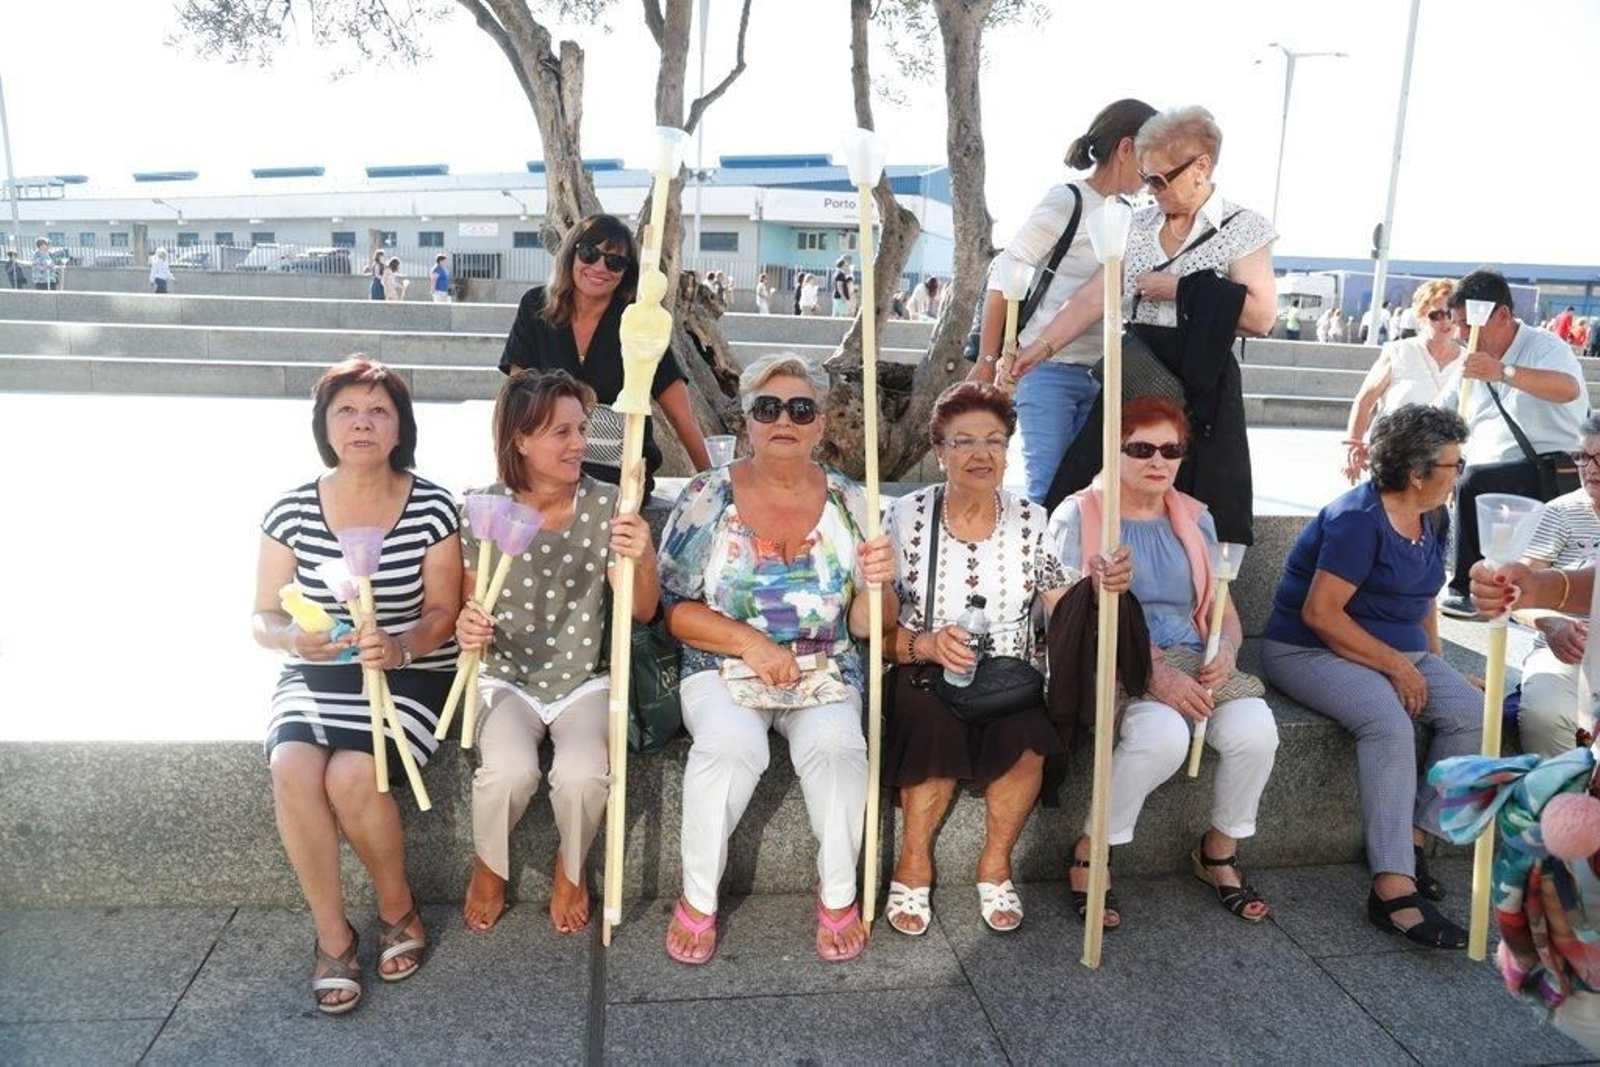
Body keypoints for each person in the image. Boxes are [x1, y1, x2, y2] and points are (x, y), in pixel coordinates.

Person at [655, 353, 895, 965]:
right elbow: (674, 610)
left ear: (820, 425)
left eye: (800, 408)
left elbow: (871, 626)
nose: (782, 419)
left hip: (825, 667)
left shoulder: (853, 501)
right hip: (722, 664)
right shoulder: (708, 495)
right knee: (733, 747)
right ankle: (699, 899)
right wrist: (752, 644)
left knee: (839, 746)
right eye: (767, 408)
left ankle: (838, 894)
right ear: (746, 421)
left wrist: (878, 584)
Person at [252, 356, 464, 1012]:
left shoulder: (432, 505)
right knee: (291, 763)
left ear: (400, 428)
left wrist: (398, 646)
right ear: (325, 425)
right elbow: (263, 615)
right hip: (317, 665)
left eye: (378, 410)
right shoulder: (290, 509)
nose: (362, 422)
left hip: (411, 668)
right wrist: (293, 638)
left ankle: (397, 908)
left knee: (351, 775)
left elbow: (443, 613)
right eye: (346, 410)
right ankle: (332, 933)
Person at [881, 382, 1131, 937]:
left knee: (1029, 741)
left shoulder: (1031, 520)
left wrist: (1100, 587)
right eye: (964, 441)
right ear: (939, 450)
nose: (980, 453)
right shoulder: (904, 517)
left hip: (1009, 678)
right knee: (929, 728)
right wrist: (923, 644)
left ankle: (995, 866)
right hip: (925, 666)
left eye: (995, 440)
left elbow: (1062, 605)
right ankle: (914, 863)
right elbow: (872, 626)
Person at [1050, 396, 1278, 927]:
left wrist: (1224, 649)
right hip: (1110, 655)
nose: (1159, 461)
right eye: (1141, 448)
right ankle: (1091, 849)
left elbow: (1223, 607)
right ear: (1114, 448)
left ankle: (1218, 850)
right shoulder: (1079, 514)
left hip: (1191, 652)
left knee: (1256, 730)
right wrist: (1149, 669)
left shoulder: (1194, 516)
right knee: (1163, 738)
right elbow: (1060, 610)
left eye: (1171, 449)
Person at [1260, 404, 1478, 949]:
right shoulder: (1358, 521)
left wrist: (1433, 660)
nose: (1461, 474)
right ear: (1416, 473)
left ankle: (1410, 838)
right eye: (1455, 464)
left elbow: (1425, 595)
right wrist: (1399, 666)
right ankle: (1391, 888)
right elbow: (1321, 614)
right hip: (1310, 651)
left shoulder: (1434, 514)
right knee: (1387, 722)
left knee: (1474, 715)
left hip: (1393, 650)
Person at [454, 370, 659, 935]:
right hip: (505, 677)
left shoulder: (610, 503)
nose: (578, 444)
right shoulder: (482, 507)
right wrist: (467, 624)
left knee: (583, 774)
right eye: (560, 432)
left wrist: (640, 557)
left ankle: (572, 867)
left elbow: (642, 610)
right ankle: (489, 864)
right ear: (520, 439)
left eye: (580, 429)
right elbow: (464, 607)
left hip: (584, 679)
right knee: (508, 773)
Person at [1027, 105, 1278, 545]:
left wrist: (1181, 290)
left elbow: (1262, 317)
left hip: (1200, 390)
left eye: (1161, 179)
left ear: (1202, 166)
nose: (1150, 190)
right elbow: (1093, 296)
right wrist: (1038, 350)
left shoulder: (1243, 228)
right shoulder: (1136, 225)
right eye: (1146, 178)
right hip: (1135, 377)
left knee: (1194, 512)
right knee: (1083, 490)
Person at [971, 98, 1158, 504]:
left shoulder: (1132, 215)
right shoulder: (1068, 201)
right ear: (1126, 149)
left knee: (1087, 494)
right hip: (1047, 369)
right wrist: (987, 361)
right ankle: (1039, 567)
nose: (1152, 173)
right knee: (1050, 487)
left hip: (1101, 373)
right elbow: (1006, 273)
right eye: (1149, 156)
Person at [499, 213, 711, 496]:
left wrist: (716, 486)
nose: (599, 267)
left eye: (614, 261)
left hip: (619, 479)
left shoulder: (639, 322)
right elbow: (517, 404)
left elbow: (682, 417)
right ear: (570, 255)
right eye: (589, 253)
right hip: (548, 470)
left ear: (627, 272)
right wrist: (505, 479)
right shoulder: (535, 307)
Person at [1437, 270, 1586, 618]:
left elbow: (1568, 388)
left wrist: (1503, 371)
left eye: (1469, 324)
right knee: (1435, 473)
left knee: (1472, 480)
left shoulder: (1546, 346)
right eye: (1458, 324)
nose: (1462, 334)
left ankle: (1465, 587)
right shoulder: (1470, 358)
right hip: (1498, 468)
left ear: (1503, 316)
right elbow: (1441, 409)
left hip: (1553, 469)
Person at [1505, 414, 1600, 757]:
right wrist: (1552, 624)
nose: (1590, 469)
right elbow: (1517, 593)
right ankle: (1558, 805)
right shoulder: (1559, 513)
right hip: (1565, 649)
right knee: (1543, 713)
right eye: (1583, 457)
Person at [1342, 279, 1464, 483]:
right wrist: (1353, 447)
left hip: (1442, 470)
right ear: (1421, 316)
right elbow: (1365, 401)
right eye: (1436, 315)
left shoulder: (1468, 361)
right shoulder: (1399, 351)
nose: (1446, 321)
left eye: (1451, 313)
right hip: (1393, 462)